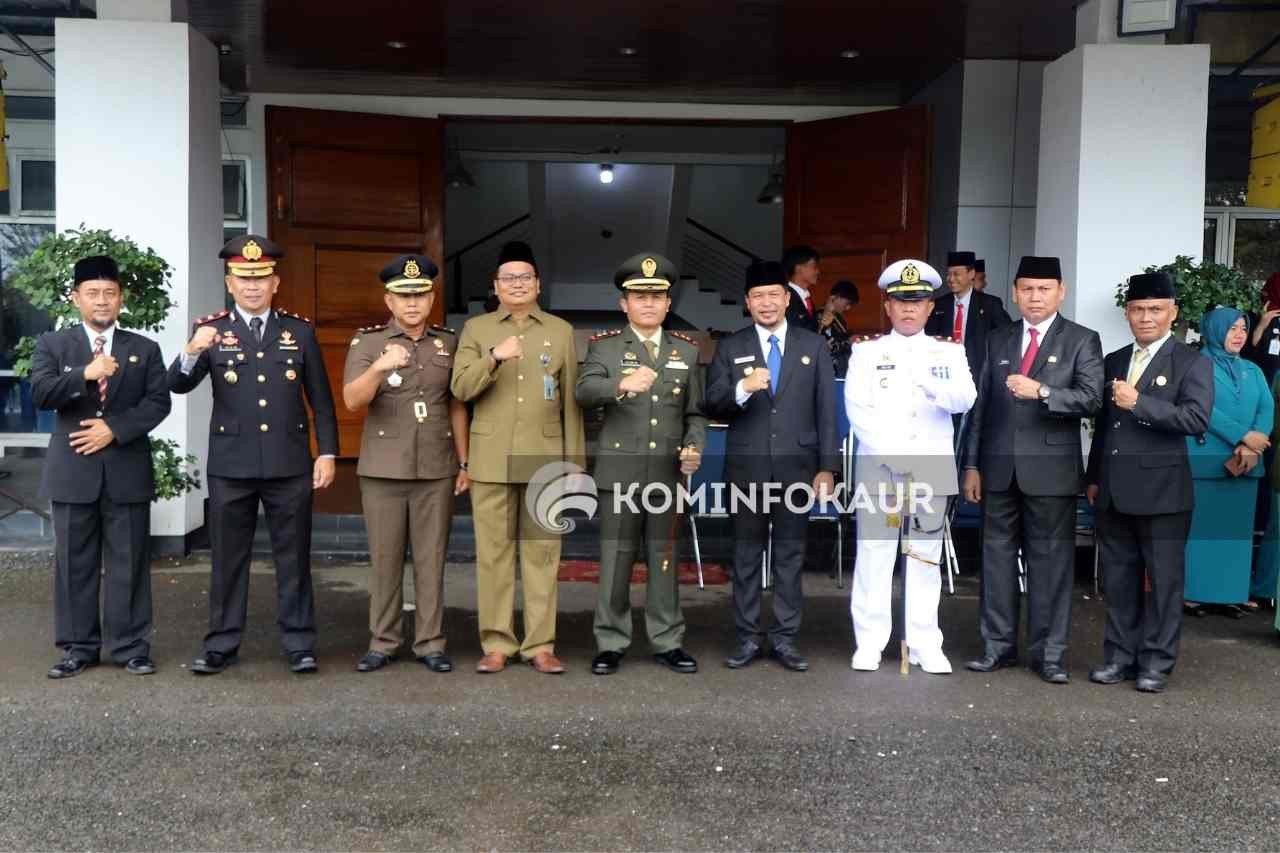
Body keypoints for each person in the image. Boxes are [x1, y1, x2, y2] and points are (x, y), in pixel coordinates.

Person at [169, 235, 339, 676]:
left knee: (294, 557)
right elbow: (178, 386)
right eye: (244, 279)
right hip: (231, 466)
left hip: (289, 464)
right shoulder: (212, 330)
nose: (252, 287)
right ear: (230, 282)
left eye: (261, 278)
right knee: (227, 558)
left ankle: (299, 643)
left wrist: (328, 454)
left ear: (275, 282)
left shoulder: (299, 331)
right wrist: (190, 352)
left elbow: (320, 400)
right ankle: (221, 644)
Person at [961, 256, 1104, 684]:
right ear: (1014, 292)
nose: (1035, 296)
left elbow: (1093, 398)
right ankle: (997, 647)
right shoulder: (998, 338)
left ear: (1061, 292)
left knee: (1050, 565)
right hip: (998, 470)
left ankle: (1050, 654)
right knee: (996, 561)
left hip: (1051, 474)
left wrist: (1043, 390)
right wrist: (971, 465)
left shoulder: (1082, 339)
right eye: (1027, 288)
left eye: (1044, 289)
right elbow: (980, 407)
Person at [31, 256, 171, 679]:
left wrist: (114, 429)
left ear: (121, 298)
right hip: (73, 472)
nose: (102, 301)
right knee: (74, 564)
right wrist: (84, 374)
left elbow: (158, 402)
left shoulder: (143, 349)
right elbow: (40, 393)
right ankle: (78, 647)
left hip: (126, 470)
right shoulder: (54, 346)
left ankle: (130, 646)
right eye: (92, 293)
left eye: (109, 293)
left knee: (129, 562)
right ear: (76, 299)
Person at [450, 240, 586, 675]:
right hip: (490, 458)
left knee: (543, 554)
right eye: (508, 278)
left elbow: (571, 403)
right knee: (493, 555)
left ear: (538, 284)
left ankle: (540, 645)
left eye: (524, 277)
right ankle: (496, 643)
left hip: (544, 459)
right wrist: (494, 357)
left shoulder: (561, 331)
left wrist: (573, 466)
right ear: (495, 285)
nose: (517, 284)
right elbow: (460, 389)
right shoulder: (477, 329)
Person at [575, 252, 707, 675]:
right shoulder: (606, 347)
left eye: (657, 296)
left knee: (664, 562)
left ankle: (667, 641)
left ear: (669, 304)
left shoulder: (685, 352)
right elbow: (583, 392)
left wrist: (694, 445)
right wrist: (621, 384)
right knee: (616, 561)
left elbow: (696, 413)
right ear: (624, 304)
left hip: (667, 476)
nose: (648, 304)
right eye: (639, 296)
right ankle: (611, 641)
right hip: (619, 474)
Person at [705, 259, 839, 672]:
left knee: (789, 557)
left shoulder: (812, 345)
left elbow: (826, 412)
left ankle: (785, 638)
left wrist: (827, 468)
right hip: (747, 470)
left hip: (799, 469)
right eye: (757, 296)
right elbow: (711, 401)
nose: (766, 303)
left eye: (773, 295)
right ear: (747, 302)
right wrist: (742, 389)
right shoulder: (731, 346)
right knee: (745, 558)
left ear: (787, 298)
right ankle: (747, 637)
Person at [846, 259, 976, 675]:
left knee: (924, 557)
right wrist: (894, 458)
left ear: (929, 307)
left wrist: (936, 386)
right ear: (887, 307)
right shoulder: (867, 352)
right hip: (881, 468)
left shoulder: (948, 352)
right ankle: (870, 642)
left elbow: (965, 399)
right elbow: (858, 412)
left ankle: (924, 642)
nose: (908, 309)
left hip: (930, 468)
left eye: (917, 301)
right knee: (875, 555)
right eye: (900, 301)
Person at [1085, 272, 1213, 694]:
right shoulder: (1116, 360)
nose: (1146, 318)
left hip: (1163, 494)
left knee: (1163, 584)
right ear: (1127, 313)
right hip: (1115, 490)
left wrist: (1139, 402)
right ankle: (1119, 657)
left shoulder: (1192, 361)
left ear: (1173, 313)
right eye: (1138, 310)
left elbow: (1195, 420)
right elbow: (1104, 427)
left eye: (1155, 310)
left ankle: (1156, 663)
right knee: (1119, 582)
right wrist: (1093, 477)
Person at [342, 255, 471, 674]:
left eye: (419, 295)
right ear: (389, 300)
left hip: (436, 466)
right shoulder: (367, 343)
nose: (412, 303)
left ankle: (431, 642)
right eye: (403, 296)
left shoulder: (449, 343)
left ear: (432, 297)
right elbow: (352, 400)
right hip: (382, 470)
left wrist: (464, 461)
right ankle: (383, 641)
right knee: (385, 559)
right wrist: (380, 366)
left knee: (432, 559)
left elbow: (456, 406)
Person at [1183, 307, 1272, 616]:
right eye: (1231, 328)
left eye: (1243, 329)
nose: (1238, 335)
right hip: (1207, 459)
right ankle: (1193, 593)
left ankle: (1229, 593)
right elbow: (1202, 408)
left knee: (1236, 532)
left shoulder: (1253, 370)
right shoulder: (1196, 365)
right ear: (1214, 330)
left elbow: (1267, 407)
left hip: (1246, 462)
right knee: (1201, 531)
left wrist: (1256, 440)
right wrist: (1242, 437)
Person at [925, 250, 1012, 385]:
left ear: (971, 274)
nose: (951, 279)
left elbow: (1007, 337)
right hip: (944, 378)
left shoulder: (990, 304)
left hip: (979, 379)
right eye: (948, 274)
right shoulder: (939, 305)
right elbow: (927, 339)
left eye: (956, 274)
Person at [817, 279, 858, 376]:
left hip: (842, 367)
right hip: (829, 370)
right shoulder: (819, 316)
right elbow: (825, 345)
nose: (848, 308)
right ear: (835, 298)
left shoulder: (839, 318)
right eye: (847, 303)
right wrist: (848, 341)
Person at [781, 245, 820, 332]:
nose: (818, 271)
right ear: (798, 268)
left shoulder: (807, 298)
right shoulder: (785, 298)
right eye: (814, 266)